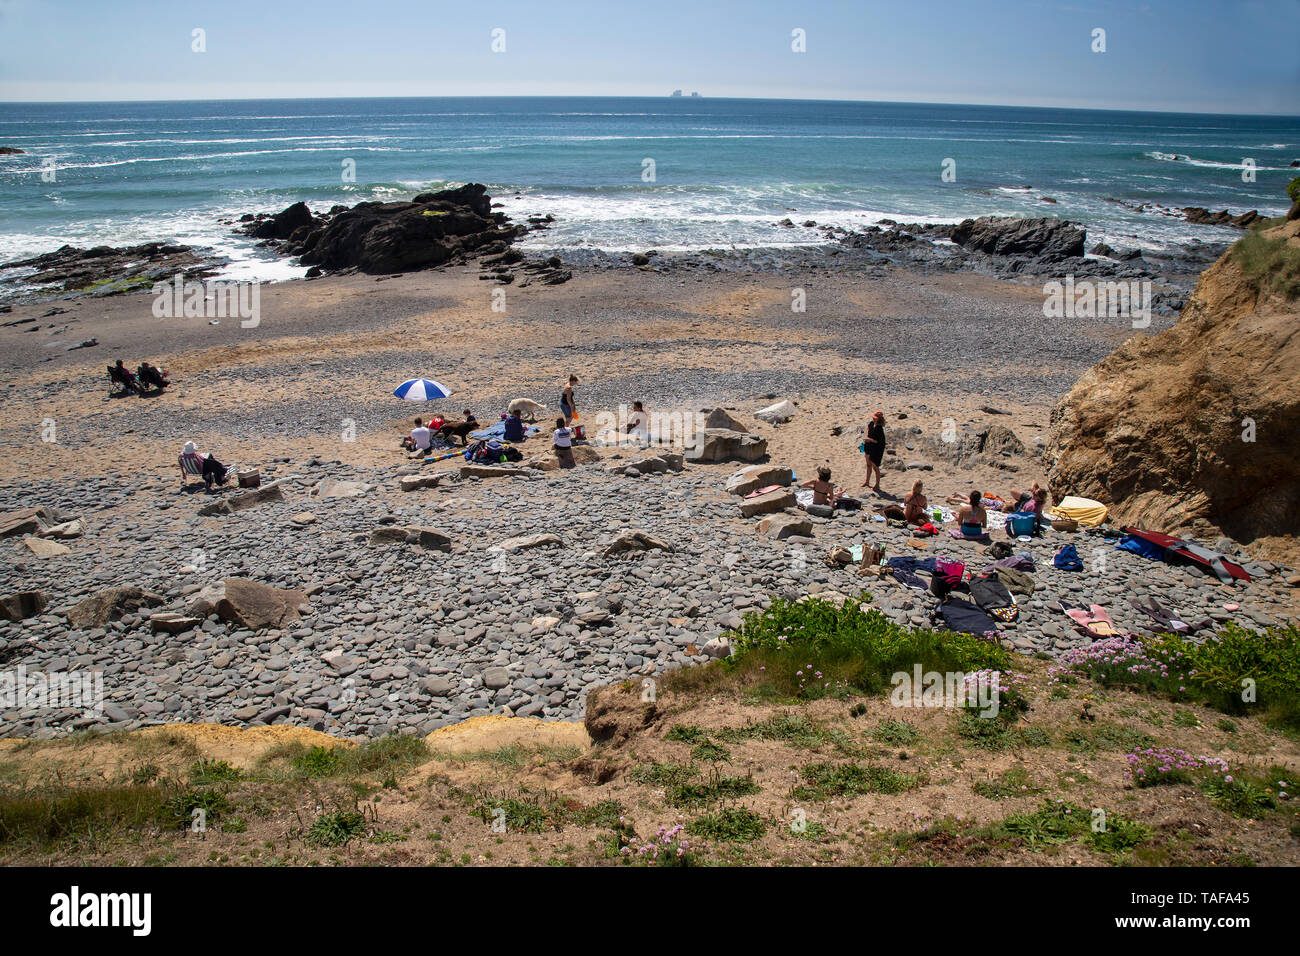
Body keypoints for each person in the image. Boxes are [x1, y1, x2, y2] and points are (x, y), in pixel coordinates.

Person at [860, 410, 886, 492]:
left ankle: (877, 485)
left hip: (876, 449)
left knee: (875, 467)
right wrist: (864, 436)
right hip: (868, 446)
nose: (873, 419)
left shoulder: (879, 429)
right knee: (868, 465)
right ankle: (867, 482)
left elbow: (878, 442)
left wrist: (869, 439)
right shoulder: (871, 424)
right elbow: (866, 432)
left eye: (875, 418)